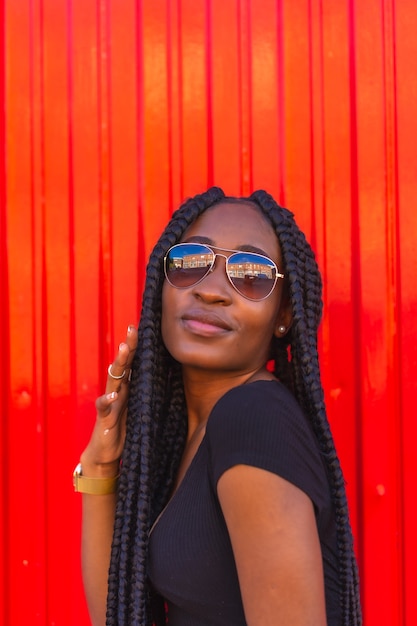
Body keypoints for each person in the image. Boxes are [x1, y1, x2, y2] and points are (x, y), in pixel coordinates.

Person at [74, 187, 362, 626]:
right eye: (191, 262)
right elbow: (117, 616)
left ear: (283, 314)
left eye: (251, 274)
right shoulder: (197, 434)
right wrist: (99, 471)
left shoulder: (252, 419)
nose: (211, 291)